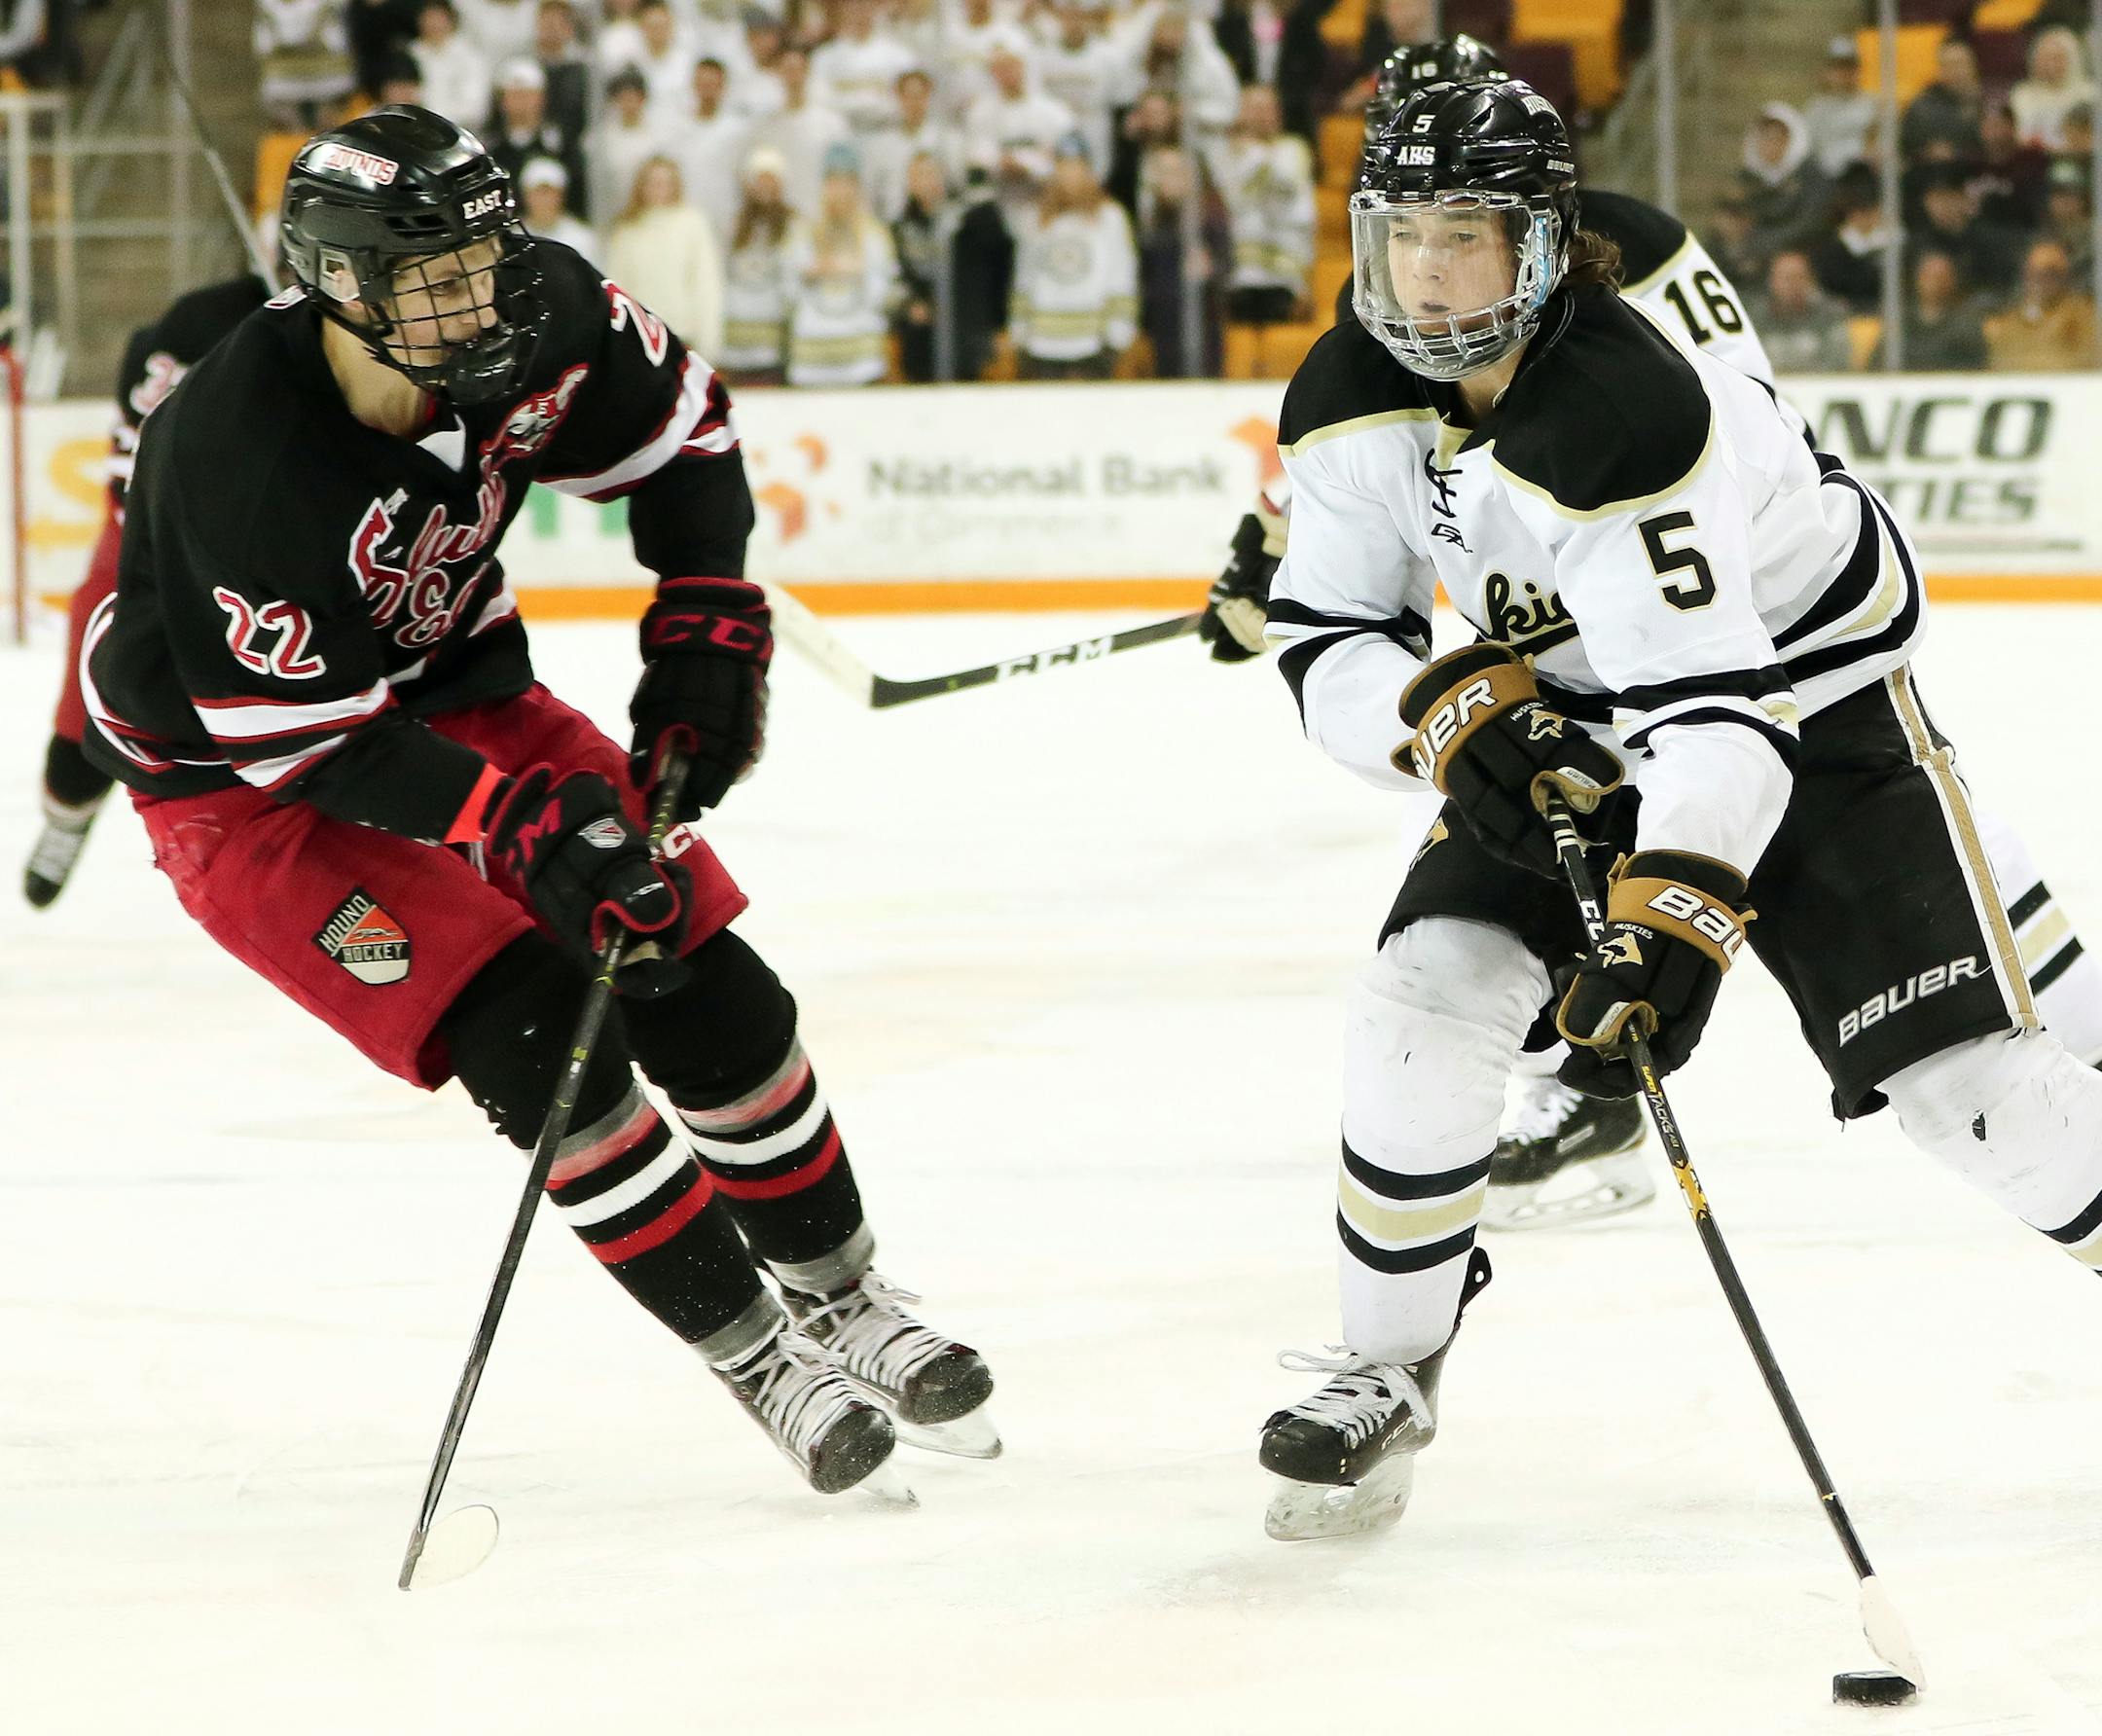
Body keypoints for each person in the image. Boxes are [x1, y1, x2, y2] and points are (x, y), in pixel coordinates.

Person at [79, 108, 995, 1495]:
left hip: (450, 684)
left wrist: (704, 622)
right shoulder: (235, 452)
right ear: (339, 286)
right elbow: (302, 742)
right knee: (533, 1035)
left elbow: (687, 439)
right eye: (433, 275)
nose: (480, 292)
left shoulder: (543, 312)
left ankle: (843, 1297)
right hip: (250, 788)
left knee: (695, 966)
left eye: (484, 253)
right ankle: (755, 1354)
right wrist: (517, 829)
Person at [1253, 76, 2102, 1540]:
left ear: (1538, 242)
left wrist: (1675, 916)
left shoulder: (1633, 412)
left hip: (1809, 709)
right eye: (1401, 238)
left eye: (1466, 237)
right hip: (1579, 709)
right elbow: (1331, 633)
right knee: (1423, 995)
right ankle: (1388, 1371)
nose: (1428, 276)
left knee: (1978, 1091)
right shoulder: (1345, 396)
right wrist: (1445, 717)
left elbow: (1718, 718)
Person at [23, 271, 271, 909]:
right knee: (89, 720)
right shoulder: (232, 340)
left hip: (209, 555)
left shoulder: (193, 333)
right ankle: (67, 820)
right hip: (145, 557)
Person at [1009, 133, 1136, 379]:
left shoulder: (1110, 218)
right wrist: (1020, 331)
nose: (1069, 176)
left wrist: (1117, 333)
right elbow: (1024, 275)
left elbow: (1121, 274)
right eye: (1063, 167)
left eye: (1076, 167)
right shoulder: (1035, 218)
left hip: (1092, 343)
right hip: (1042, 343)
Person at [784, 141, 898, 387]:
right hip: (813, 353)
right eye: (833, 181)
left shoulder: (873, 234)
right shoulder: (804, 232)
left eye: (847, 182)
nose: (840, 191)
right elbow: (789, 289)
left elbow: (883, 290)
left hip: (859, 355)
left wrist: (855, 271)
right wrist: (815, 270)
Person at [1215, 83, 1314, 326]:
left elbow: (1287, 188)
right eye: (1252, 108)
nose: (1259, 115)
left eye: (1266, 108)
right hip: (1237, 276)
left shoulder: (1293, 148)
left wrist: (1254, 151)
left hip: (1282, 276)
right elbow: (1233, 201)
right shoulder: (1224, 154)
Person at [606, 155, 726, 354]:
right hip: (638, 337)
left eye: (665, 183)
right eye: (652, 182)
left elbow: (706, 283)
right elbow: (617, 285)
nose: (658, 188)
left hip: (681, 333)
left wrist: (709, 339)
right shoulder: (627, 228)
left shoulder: (693, 223)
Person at [719, 147, 797, 383]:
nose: (765, 186)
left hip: (773, 328)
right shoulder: (735, 224)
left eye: (771, 180)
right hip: (738, 326)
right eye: (760, 179)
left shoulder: (792, 223)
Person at [1984, 236, 2100, 370]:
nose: (2039, 279)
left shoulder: (2084, 318)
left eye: (2050, 273)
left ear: (2065, 277)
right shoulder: (2006, 323)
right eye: (2032, 272)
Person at [1748, 247, 1851, 374]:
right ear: (1772, 282)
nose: (1794, 284)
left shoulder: (1829, 317)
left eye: (1799, 277)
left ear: (1811, 281)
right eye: (1787, 278)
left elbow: (1837, 365)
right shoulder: (1753, 320)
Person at [2011, 24, 2096, 153]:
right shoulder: (2021, 94)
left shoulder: (2090, 94)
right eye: (2044, 58)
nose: (2050, 65)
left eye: (2057, 58)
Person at [518, 156, 598, 264]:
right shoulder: (513, 239)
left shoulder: (582, 239)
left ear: (562, 195)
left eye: (550, 193)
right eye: (538, 193)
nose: (544, 200)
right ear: (525, 196)